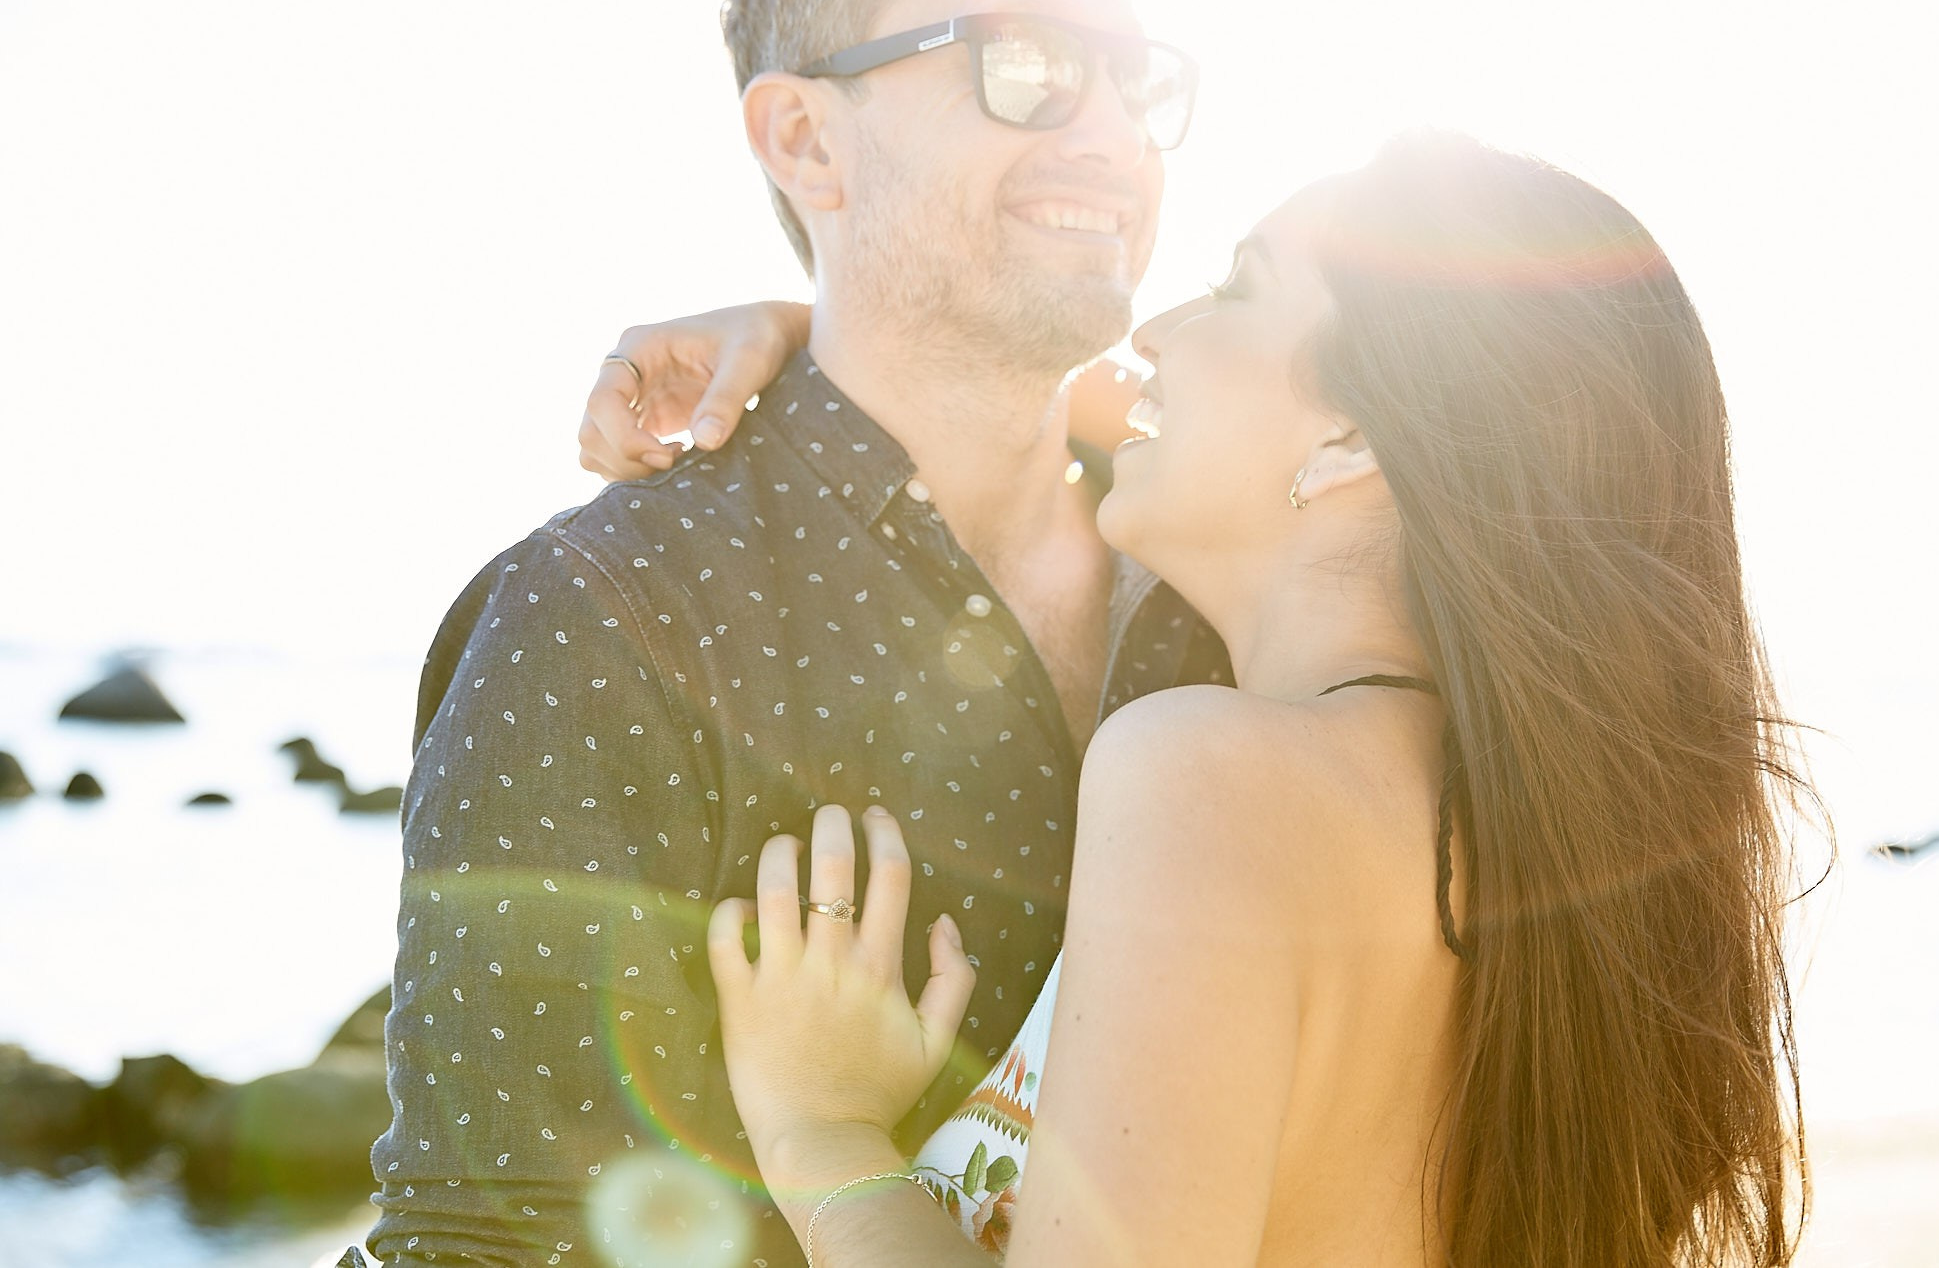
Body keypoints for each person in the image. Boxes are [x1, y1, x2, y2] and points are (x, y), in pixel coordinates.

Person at [593, 134, 1814, 1265]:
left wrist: (821, 1136)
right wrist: (814, 341)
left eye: (1236, 288)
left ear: (1348, 439)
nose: (1157, 328)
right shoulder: (1520, 830)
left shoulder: (1208, 779)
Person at [362, 0, 1215, 1265]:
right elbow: (482, 1241)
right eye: (1029, 63)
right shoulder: (607, 618)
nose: (1113, 133)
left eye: (1137, 76)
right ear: (807, 139)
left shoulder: (1235, 562)